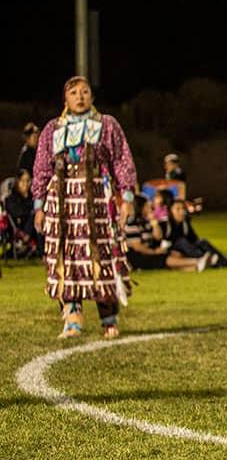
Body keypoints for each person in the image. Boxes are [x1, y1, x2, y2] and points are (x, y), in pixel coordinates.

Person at [31, 76, 138, 339]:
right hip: (63, 201)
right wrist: (39, 206)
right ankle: (72, 317)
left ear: (92, 97)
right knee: (66, 257)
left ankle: (108, 318)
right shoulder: (53, 128)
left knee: (102, 255)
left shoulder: (107, 125)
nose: (80, 97)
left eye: (85, 92)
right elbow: (42, 168)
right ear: (65, 98)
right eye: (74, 92)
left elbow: (122, 160)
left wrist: (127, 198)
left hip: (99, 201)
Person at [124, 195, 206, 272]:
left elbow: (158, 236)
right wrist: (154, 252)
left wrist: (154, 223)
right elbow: (137, 247)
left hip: (148, 251)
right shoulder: (132, 224)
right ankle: (197, 261)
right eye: (147, 206)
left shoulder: (146, 222)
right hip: (137, 255)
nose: (150, 208)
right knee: (163, 258)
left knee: (175, 254)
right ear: (140, 207)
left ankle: (193, 267)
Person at [164, 199, 227, 269]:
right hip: (172, 254)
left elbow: (194, 239)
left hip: (187, 250)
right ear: (170, 211)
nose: (182, 212)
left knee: (202, 242)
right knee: (181, 241)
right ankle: (208, 259)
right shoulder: (165, 224)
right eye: (178, 209)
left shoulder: (185, 223)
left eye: (183, 208)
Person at [3, 168, 41, 258]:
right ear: (17, 182)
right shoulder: (12, 198)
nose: (26, 184)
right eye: (23, 181)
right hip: (18, 229)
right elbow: (17, 212)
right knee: (35, 213)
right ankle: (26, 237)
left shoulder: (32, 197)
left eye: (28, 181)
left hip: (33, 227)